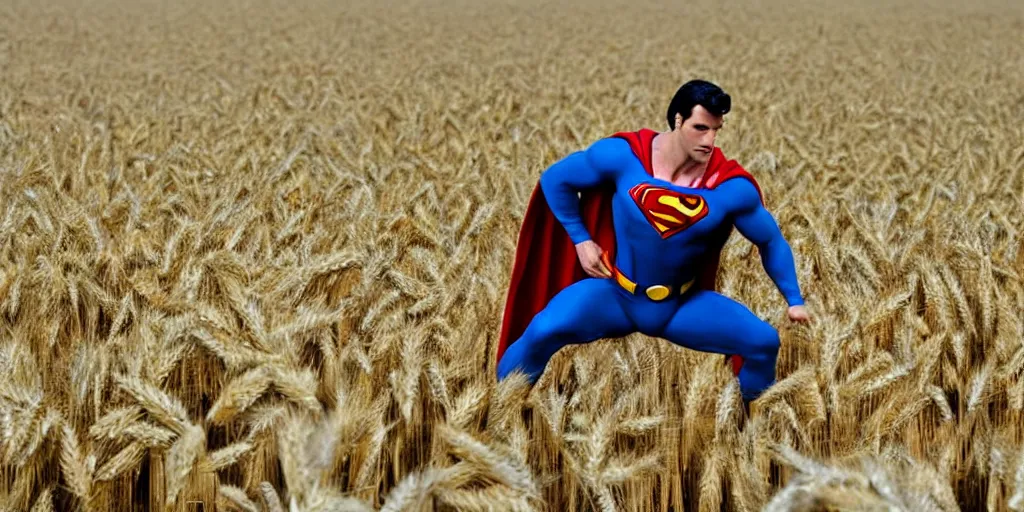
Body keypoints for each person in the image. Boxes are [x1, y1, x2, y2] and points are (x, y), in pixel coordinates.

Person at [494, 79, 810, 410]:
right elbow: (556, 179)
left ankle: (752, 430)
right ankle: (498, 415)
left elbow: (770, 240)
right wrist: (581, 239)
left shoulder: (729, 189)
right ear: (677, 120)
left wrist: (794, 299)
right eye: (700, 128)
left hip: (681, 305)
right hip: (616, 294)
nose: (710, 140)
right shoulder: (623, 158)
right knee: (542, 330)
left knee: (763, 342)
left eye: (716, 130)